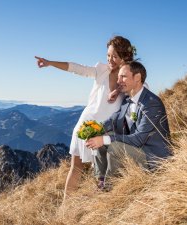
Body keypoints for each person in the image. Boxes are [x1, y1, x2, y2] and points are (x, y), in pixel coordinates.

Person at [35, 36, 136, 199]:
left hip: (106, 130)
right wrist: (50, 63)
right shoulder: (101, 70)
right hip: (86, 124)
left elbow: (140, 89)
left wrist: (118, 90)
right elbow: (77, 68)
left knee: (103, 169)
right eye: (108, 55)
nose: (110, 60)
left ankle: (98, 204)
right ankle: (65, 207)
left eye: (115, 56)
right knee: (76, 167)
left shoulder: (130, 76)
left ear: (125, 57)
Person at [86, 61, 171, 190]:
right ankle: (101, 180)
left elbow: (138, 139)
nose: (119, 80)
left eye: (123, 77)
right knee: (101, 138)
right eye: (119, 77)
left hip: (153, 158)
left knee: (113, 146)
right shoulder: (127, 99)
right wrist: (96, 130)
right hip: (137, 149)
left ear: (137, 78)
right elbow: (114, 120)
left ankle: (109, 187)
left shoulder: (151, 104)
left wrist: (104, 139)